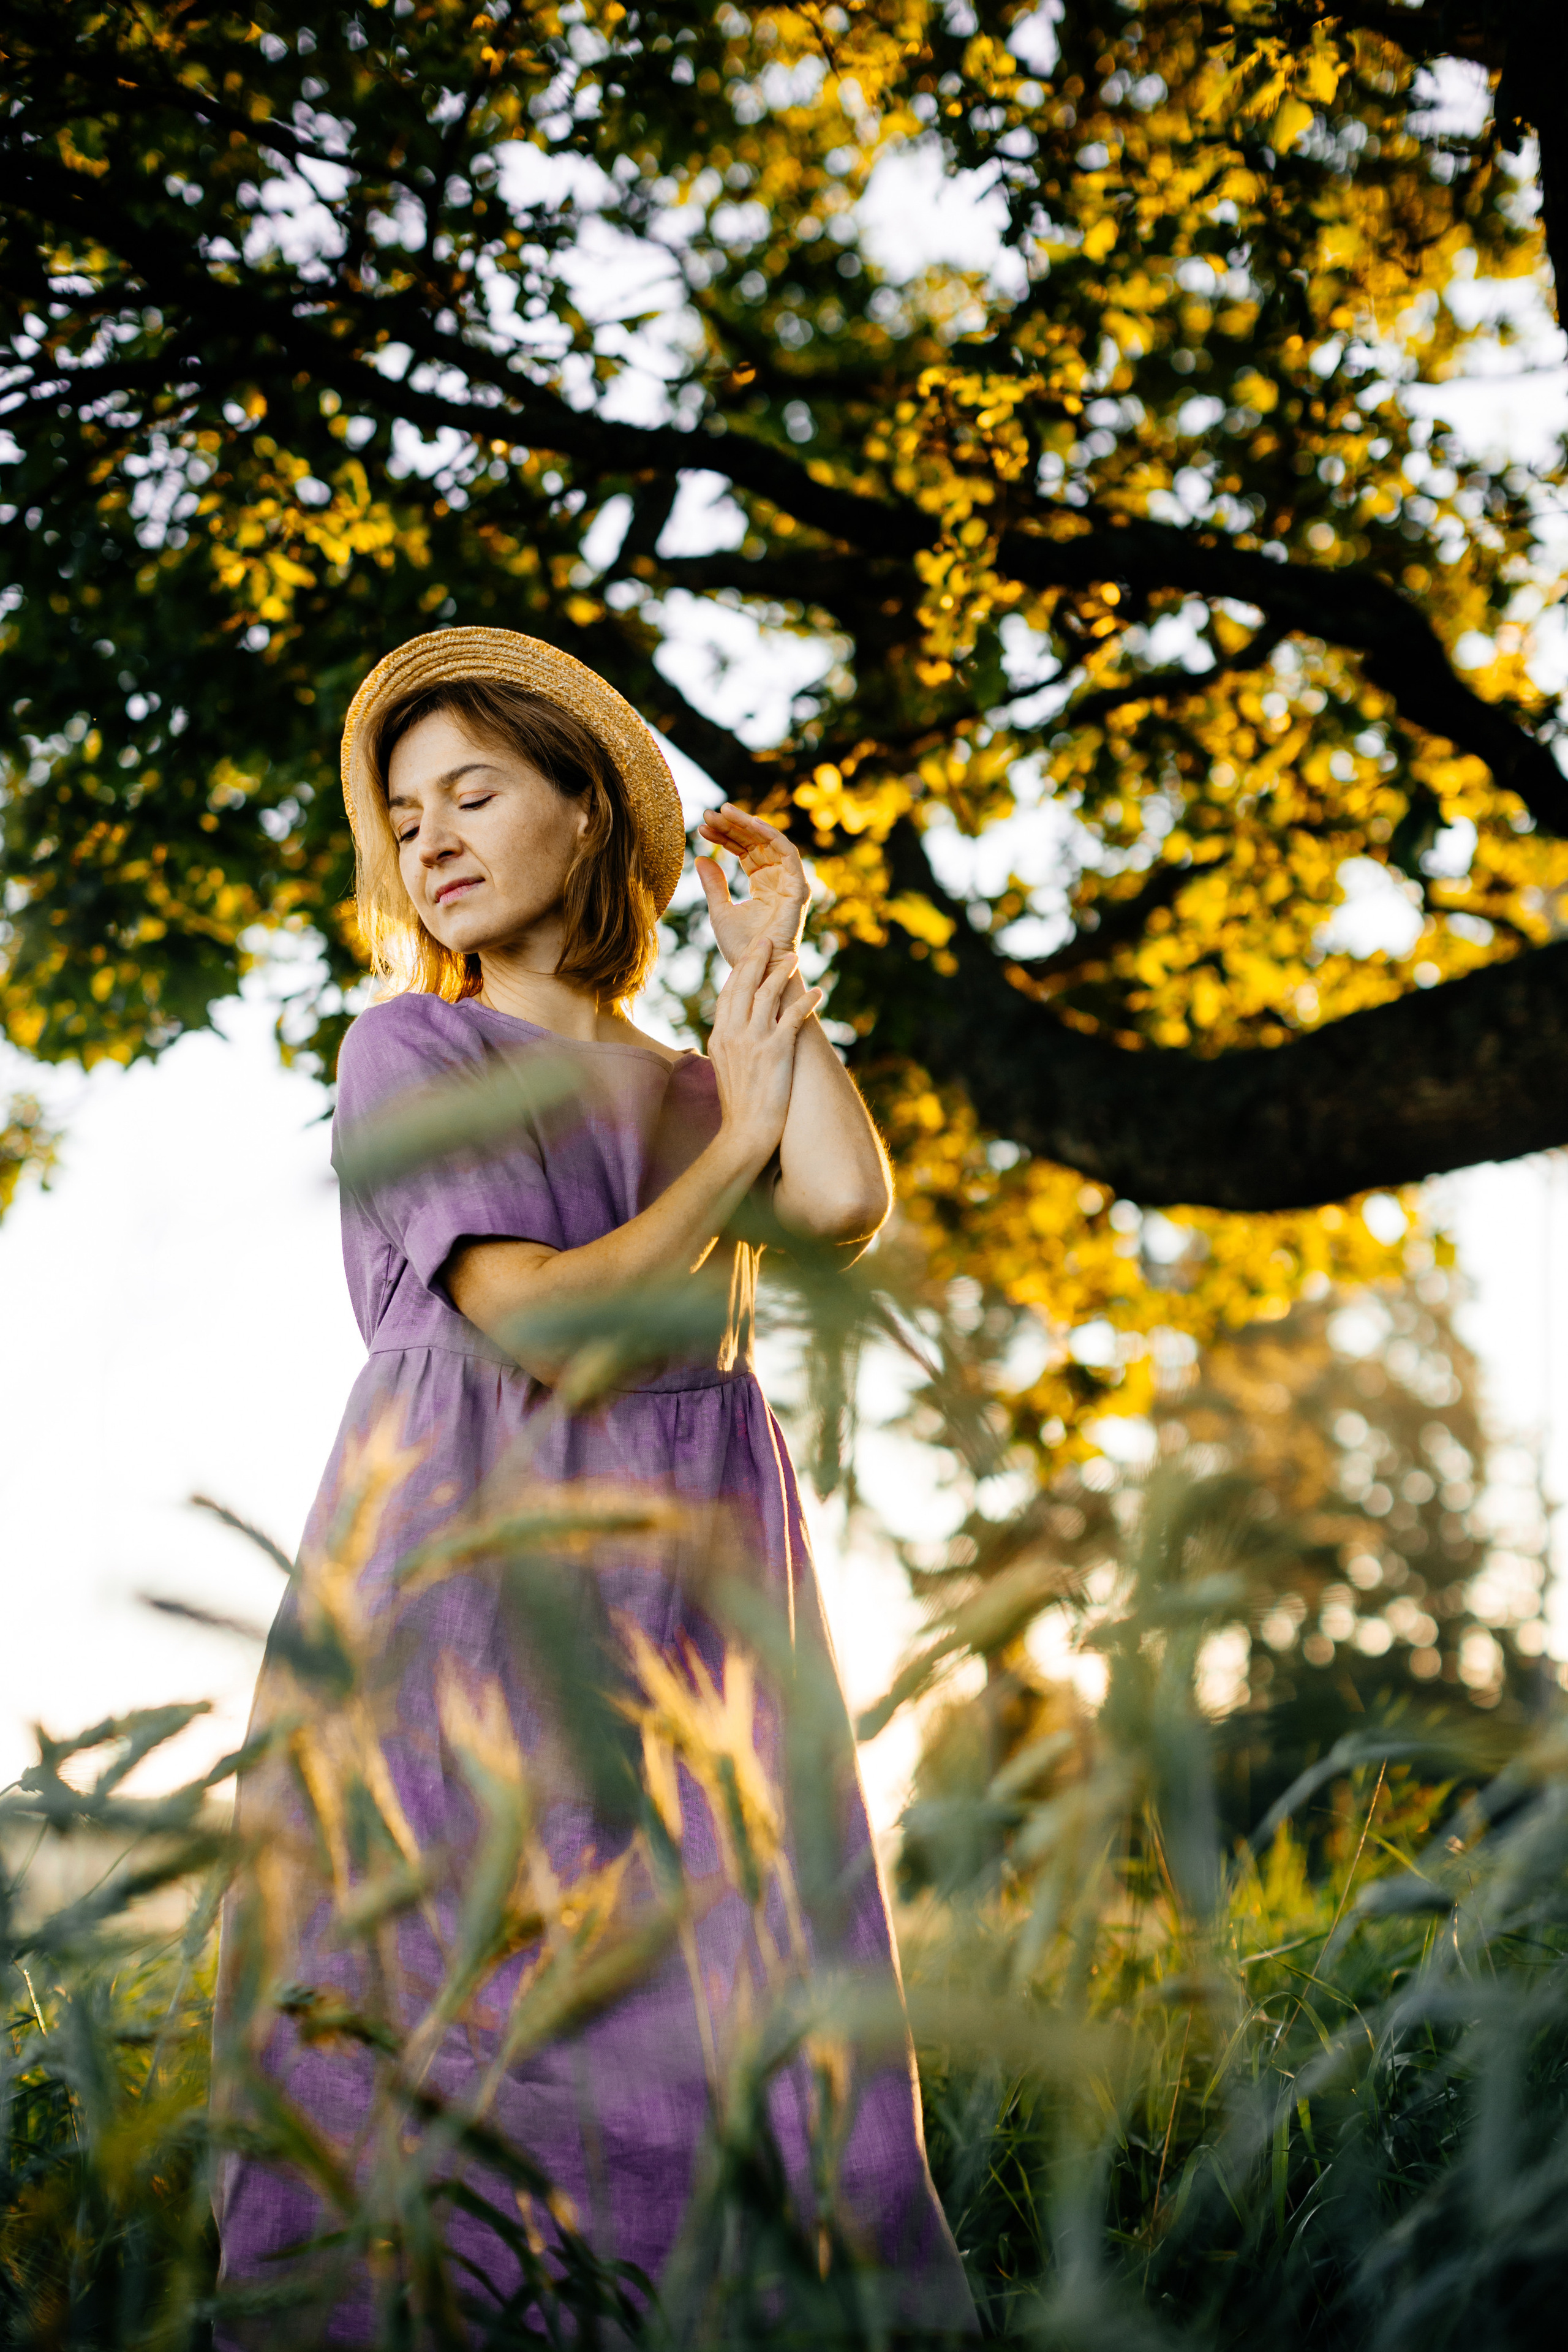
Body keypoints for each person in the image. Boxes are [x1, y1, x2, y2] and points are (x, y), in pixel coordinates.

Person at [211, 629, 974, 2342]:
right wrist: (731, 1133)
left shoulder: (700, 1073)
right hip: (472, 1566)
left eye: (475, 791)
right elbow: (550, 1324)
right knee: (464, 1994)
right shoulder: (410, 1048)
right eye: (405, 819)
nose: (433, 841)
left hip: (690, 1583)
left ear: (586, 812)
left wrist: (770, 973)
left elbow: (846, 1201)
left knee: (705, 1986)